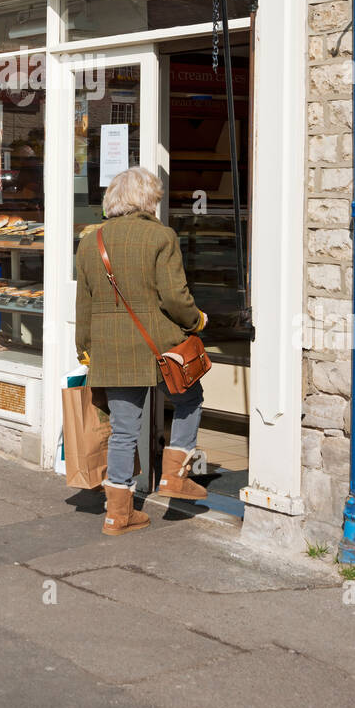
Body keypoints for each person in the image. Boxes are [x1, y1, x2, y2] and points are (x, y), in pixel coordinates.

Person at [75, 165, 209, 537]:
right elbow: (174, 297)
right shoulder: (161, 237)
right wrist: (196, 320)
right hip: (158, 345)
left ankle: (118, 514)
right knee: (190, 399)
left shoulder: (90, 241)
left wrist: (84, 347)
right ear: (148, 199)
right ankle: (174, 477)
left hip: (110, 348)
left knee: (123, 431)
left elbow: (82, 304)